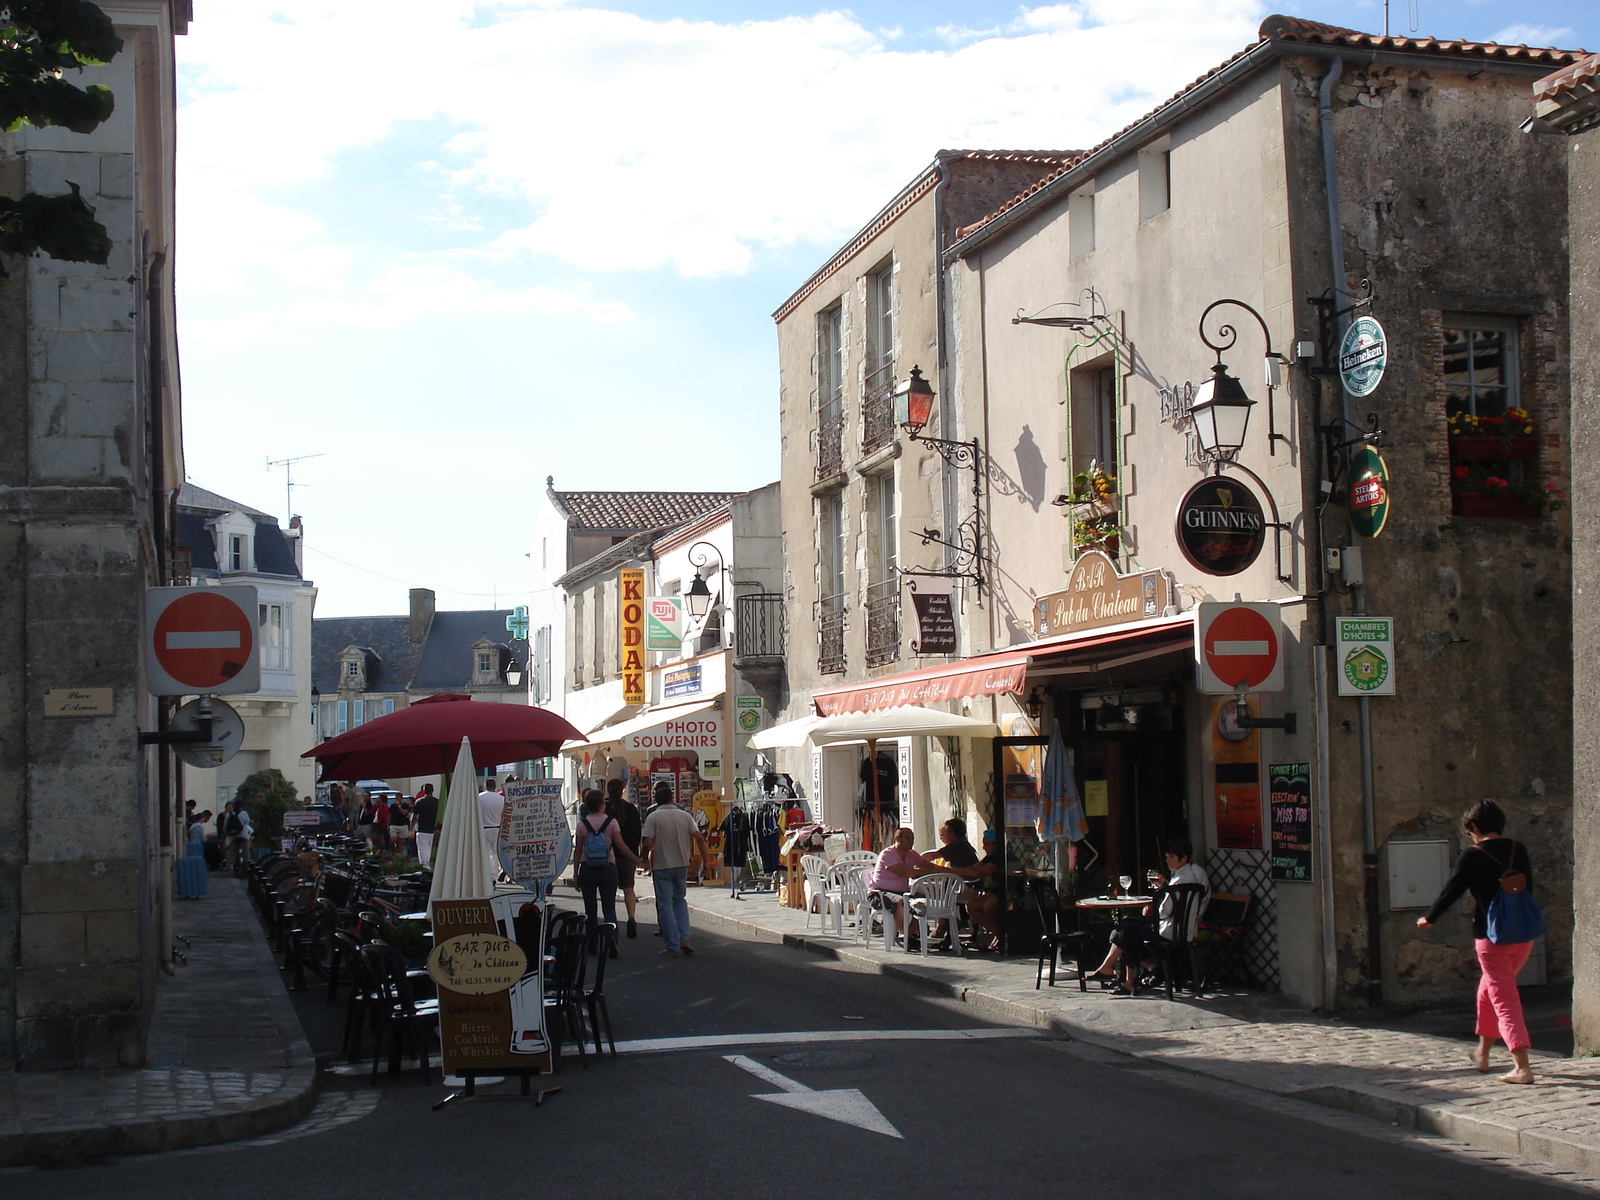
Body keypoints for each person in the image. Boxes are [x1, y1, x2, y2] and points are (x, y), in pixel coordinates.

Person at [1418, 800, 1539, 1085]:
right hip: (1522, 935)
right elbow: (1527, 888)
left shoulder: (1473, 855)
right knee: (1488, 991)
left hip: (1491, 937)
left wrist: (1430, 918)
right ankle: (1482, 1054)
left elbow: (1452, 890)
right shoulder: (1516, 849)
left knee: (1504, 999)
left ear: (1473, 827)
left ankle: (1522, 1067)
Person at [1085, 837, 1210, 989]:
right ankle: (1133, 971)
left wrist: (1156, 905)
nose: (1168, 860)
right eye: (1167, 857)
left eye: (1171, 857)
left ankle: (1124, 977)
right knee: (1125, 928)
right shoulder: (1187, 877)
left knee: (1126, 931)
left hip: (1169, 930)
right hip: (1182, 929)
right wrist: (1164, 886)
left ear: (1184, 858)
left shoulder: (1180, 880)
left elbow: (1164, 912)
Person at [642, 781, 707, 957]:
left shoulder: (653, 817)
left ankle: (672, 944)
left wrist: (643, 859)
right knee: (680, 901)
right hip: (681, 864)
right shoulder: (684, 816)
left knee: (665, 905)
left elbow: (647, 842)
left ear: (656, 800)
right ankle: (685, 938)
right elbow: (699, 837)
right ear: (672, 798)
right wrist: (705, 861)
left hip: (662, 865)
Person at [575, 788, 641, 957]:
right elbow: (620, 845)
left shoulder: (582, 824)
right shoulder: (611, 823)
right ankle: (612, 936)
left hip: (588, 868)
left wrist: (576, 874)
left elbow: (578, 850)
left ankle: (592, 943)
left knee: (590, 909)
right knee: (609, 907)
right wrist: (636, 860)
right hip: (608, 867)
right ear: (602, 805)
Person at [937, 828, 1002, 950]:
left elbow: (979, 873)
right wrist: (958, 871)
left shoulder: (997, 858)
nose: (984, 847)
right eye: (983, 844)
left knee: (986, 906)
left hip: (1004, 893)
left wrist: (959, 871)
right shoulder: (989, 857)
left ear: (996, 845)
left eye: (987, 844)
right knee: (971, 906)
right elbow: (974, 868)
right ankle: (998, 934)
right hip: (991, 892)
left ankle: (1000, 935)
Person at [865, 826, 926, 943]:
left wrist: (947, 871)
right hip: (879, 893)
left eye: (912, 838)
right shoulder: (887, 854)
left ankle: (908, 934)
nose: (911, 841)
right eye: (908, 838)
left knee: (924, 902)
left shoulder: (912, 854)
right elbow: (907, 873)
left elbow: (929, 866)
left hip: (903, 892)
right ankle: (903, 934)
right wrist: (928, 871)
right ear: (897, 838)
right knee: (899, 901)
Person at [607, 777, 644, 938]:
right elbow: (637, 832)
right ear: (623, 790)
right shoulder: (631, 809)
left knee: (608, 891)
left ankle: (611, 921)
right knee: (629, 888)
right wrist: (637, 854)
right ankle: (631, 917)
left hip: (608, 856)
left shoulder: (605, 809)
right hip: (628, 854)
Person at [479, 778, 506, 876]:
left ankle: (487, 874)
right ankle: (494, 874)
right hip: (497, 827)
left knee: (485, 853)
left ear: (485, 786)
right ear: (494, 787)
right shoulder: (501, 799)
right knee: (495, 853)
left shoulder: (479, 797)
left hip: (484, 828)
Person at [222, 799, 254, 871]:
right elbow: (247, 822)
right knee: (246, 849)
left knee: (232, 850)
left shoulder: (228, 814)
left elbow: (225, 825)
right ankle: (247, 863)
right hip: (243, 835)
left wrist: (226, 833)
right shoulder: (244, 813)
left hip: (233, 836)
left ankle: (230, 864)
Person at [412, 783, 440, 865]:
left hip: (422, 830)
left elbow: (414, 816)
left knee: (423, 851)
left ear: (423, 791)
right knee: (433, 850)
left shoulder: (419, 801)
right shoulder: (437, 802)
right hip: (434, 830)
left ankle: (425, 867)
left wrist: (411, 829)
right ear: (433, 790)